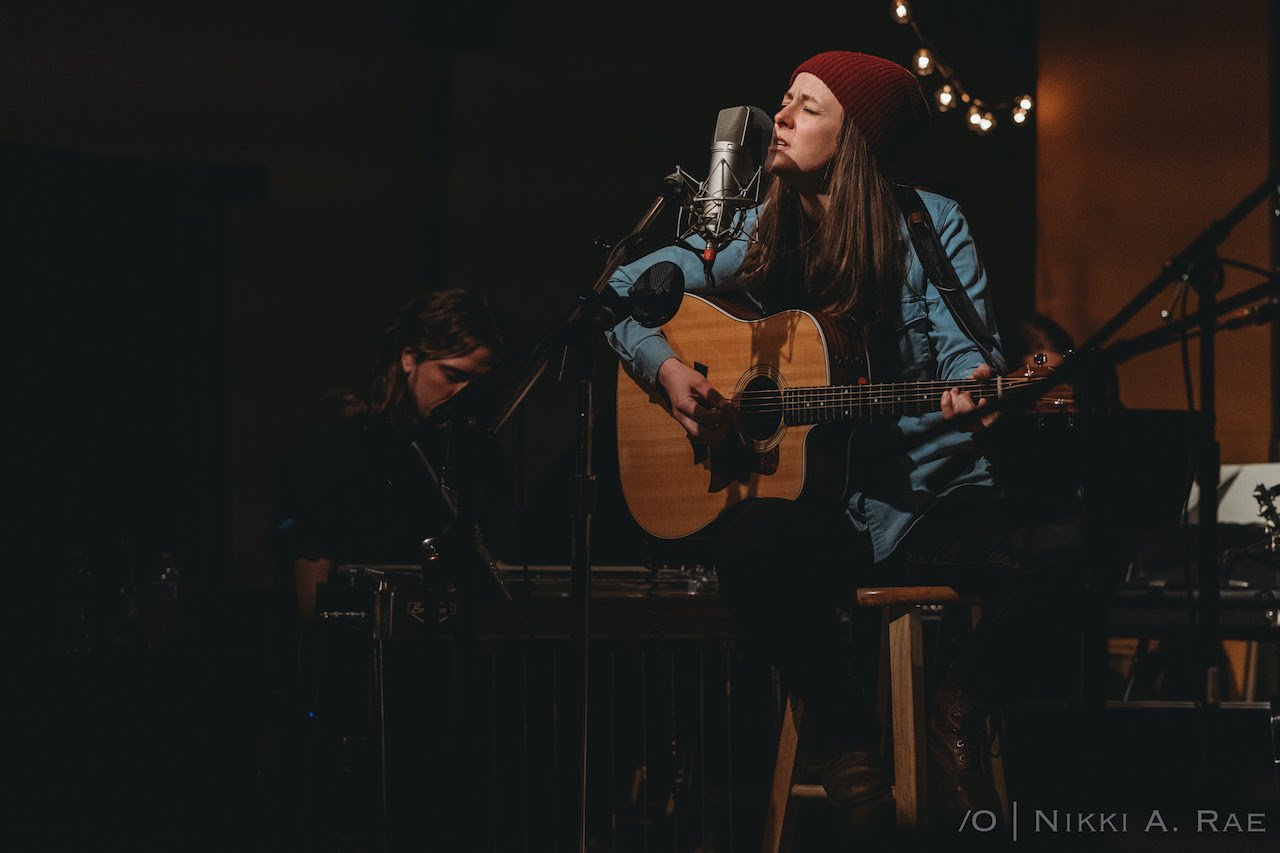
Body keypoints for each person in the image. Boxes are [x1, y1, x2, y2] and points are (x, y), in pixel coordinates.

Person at [604, 50, 1087, 827]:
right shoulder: (758, 232)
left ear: (854, 137)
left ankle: (964, 705)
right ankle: (843, 731)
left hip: (926, 503)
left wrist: (974, 386)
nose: (781, 116)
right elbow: (623, 292)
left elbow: (966, 349)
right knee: (748, 545)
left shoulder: (931, 223)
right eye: (784, 99)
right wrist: (666, 369)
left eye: (808, 106)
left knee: (1072, 546)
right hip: (821, 513)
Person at [268, 287, 512, 848]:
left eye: (476, 381)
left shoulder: (477, 453)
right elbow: (310, 598)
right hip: (355, 692)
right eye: (451, 375)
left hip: (452, 695)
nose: (462, 394)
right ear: (408, 358)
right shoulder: (334, 445)